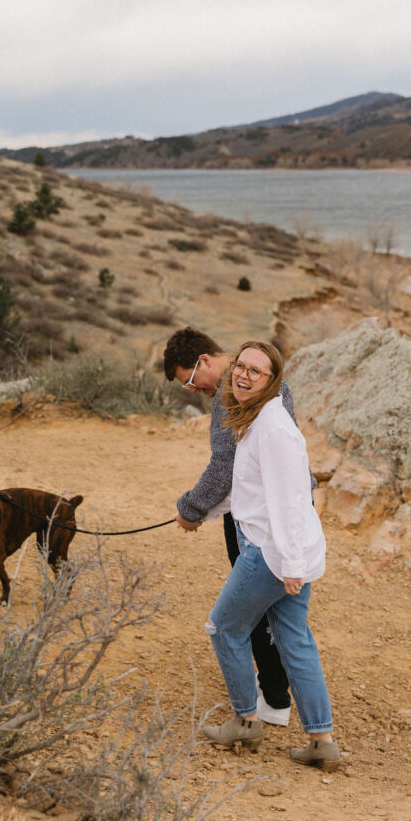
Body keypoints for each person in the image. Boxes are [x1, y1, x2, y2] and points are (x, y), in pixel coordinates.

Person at [163, 326, 313, 727]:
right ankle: (281, 699)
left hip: (260, 515)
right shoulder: (265, 376)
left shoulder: (234, 391)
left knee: (250, 607)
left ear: (205, 361)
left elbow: (224, 467)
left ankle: (272, 701)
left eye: (190, 380)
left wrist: (190, 510)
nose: (192, 390)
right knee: (283, 612)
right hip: (281, 505)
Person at [201, 340, 339, 771]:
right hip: (284, 548)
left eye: (255, 372)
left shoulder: (274, 428)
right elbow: (250, 490)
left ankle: (245, 721)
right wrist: (204, 512)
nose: (243, 375)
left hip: (272, 553)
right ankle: (322, 741)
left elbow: (288, 501)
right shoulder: (258, 417)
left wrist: (292, 567)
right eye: (240, 366)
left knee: (224, 628)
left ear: (272, 380)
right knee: (295, 638)